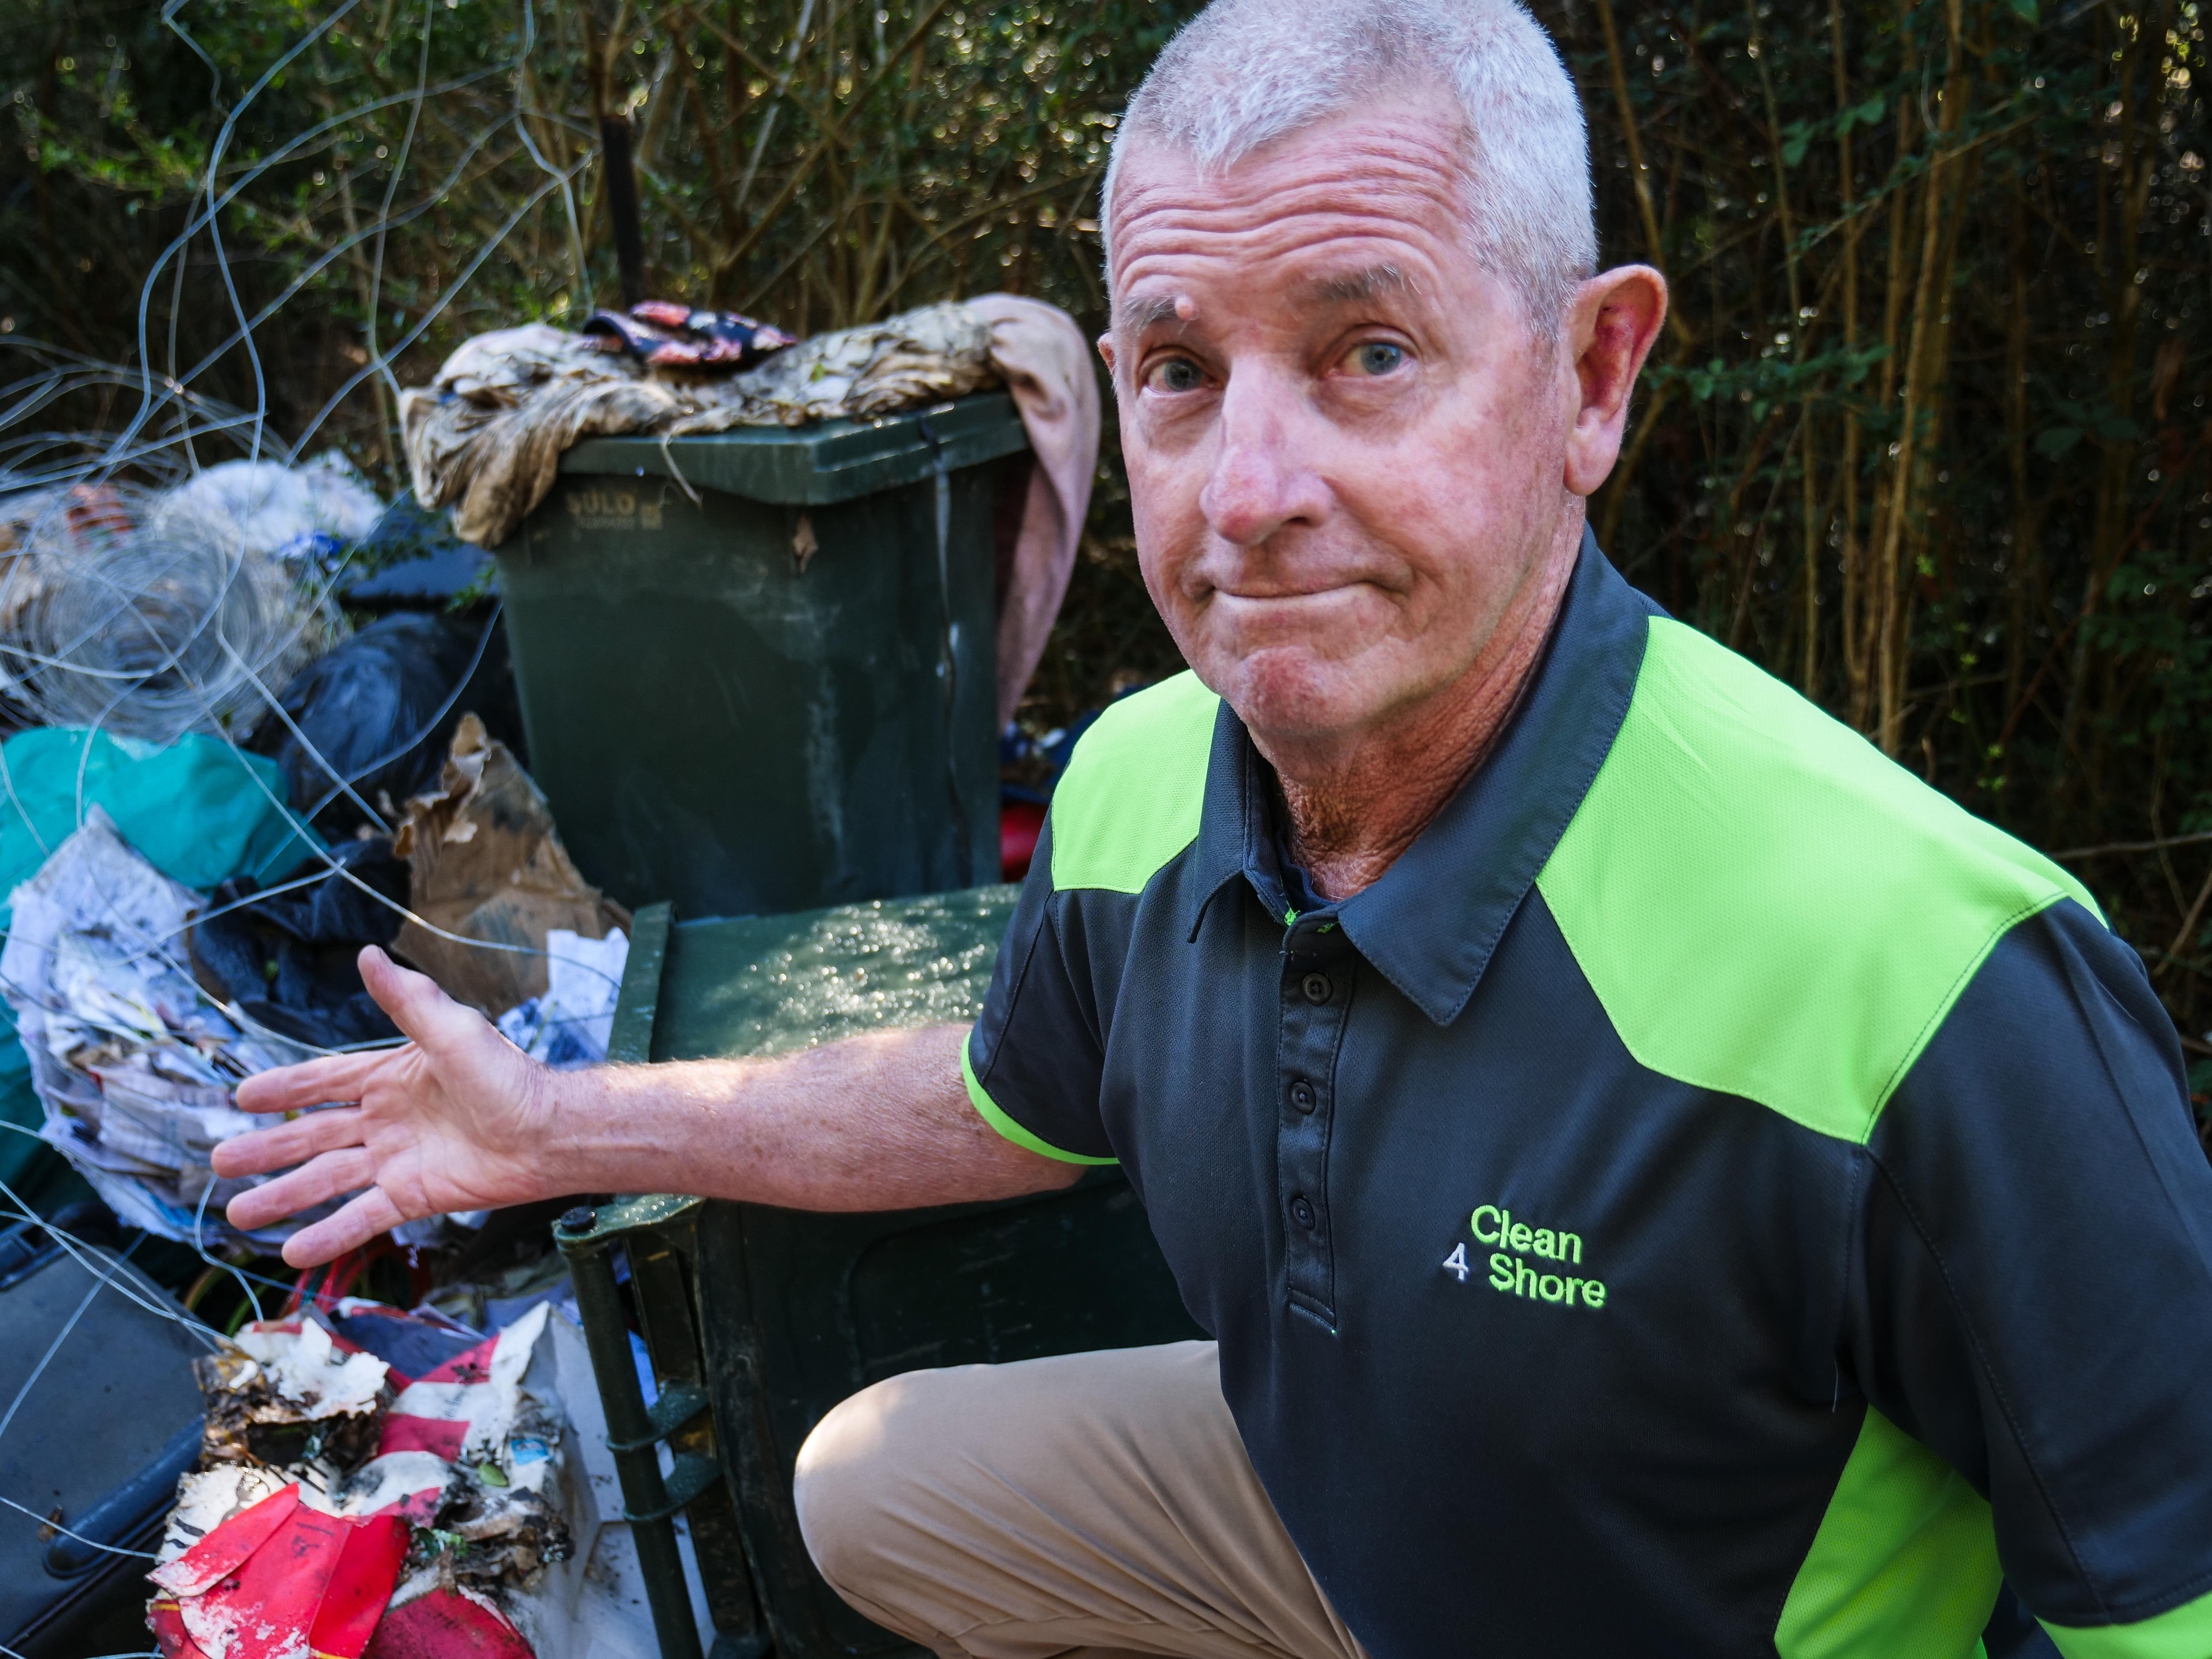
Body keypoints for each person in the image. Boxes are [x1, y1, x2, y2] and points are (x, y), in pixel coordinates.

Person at [215, 0, 2212, 1654]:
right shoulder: (1135, 779)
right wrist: (562, 1120)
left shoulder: (1924, 966)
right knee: (867, 1484)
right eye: (1176, 368)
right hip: (1345, 1515)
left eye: (1367, 351)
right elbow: (1003, 1100)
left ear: (1589, 374)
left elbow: (2155, 1600)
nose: (1245, 487)